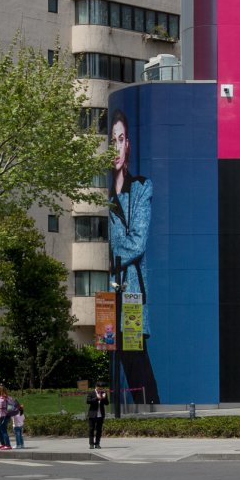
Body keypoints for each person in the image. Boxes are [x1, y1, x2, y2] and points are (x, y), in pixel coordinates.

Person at [108, 109, 160, 406]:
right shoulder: (102, 197)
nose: (116, 146)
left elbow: (137, 242)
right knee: (120, 355)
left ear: (128, 144)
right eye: (112, 140)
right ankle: (138, 410)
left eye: (121, 139)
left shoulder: (140, 187)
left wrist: (111, 254)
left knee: (134, 351)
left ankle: (152, 409)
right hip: (109, 294)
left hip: (130, 291)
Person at [0, 385, 20, 450]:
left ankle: (7, 445)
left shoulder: (1, 399)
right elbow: (10, 407)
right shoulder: (8, 398)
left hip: (3, 417)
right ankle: (3, 444)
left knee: (3, 430)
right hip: (6, 416)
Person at [86, 383, 109, 449]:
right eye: (99, 388)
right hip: (92, 414)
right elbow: (88, 401)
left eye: (102, 388)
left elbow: (107, 403)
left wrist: (104, 398)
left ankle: (97, 444)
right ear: (96, 387)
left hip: (100, 415)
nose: (100, 389)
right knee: (91, 429)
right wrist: (97, 398)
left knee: (99, 430)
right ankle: (91, 444)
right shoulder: (91, 393)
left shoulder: (103, 393)